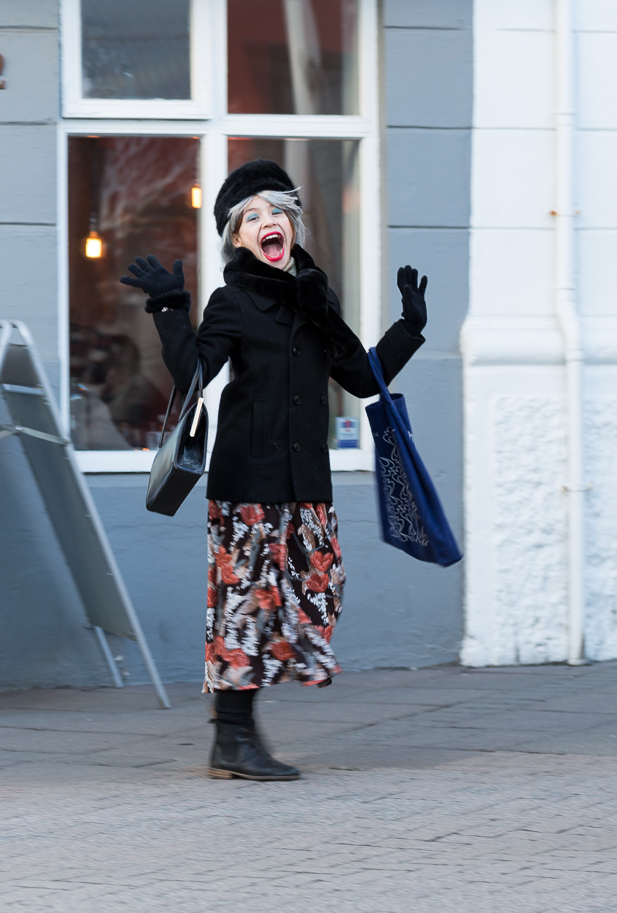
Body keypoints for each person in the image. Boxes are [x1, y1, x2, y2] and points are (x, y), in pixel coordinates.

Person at [121, 159, 428, 781]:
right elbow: (195, 378)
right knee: (247, 605)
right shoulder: (232, 302)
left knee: (320, 590)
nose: (268, 223)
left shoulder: (318, 300)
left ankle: (234, 726)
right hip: (248, 484)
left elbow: (361, 378)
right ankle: (232, 738)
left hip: (306, 481)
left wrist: (409, 327)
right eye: (252, 217)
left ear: (293, 224)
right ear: (238, 238)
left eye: (277, 212)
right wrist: (169, 306)